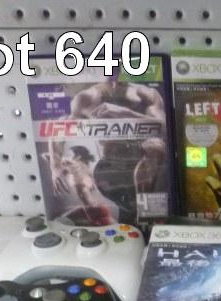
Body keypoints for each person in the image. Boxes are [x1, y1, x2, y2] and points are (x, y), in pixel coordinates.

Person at [43, 80, 168, 225]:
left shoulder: (146, 95)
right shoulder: (86, 98)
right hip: (109, 171)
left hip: (143, 165)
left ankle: (141, 217)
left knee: (155, 146)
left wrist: (125, 114)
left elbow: (166, 127)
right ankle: (136, 218)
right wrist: (55, 166)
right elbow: (59, 127)